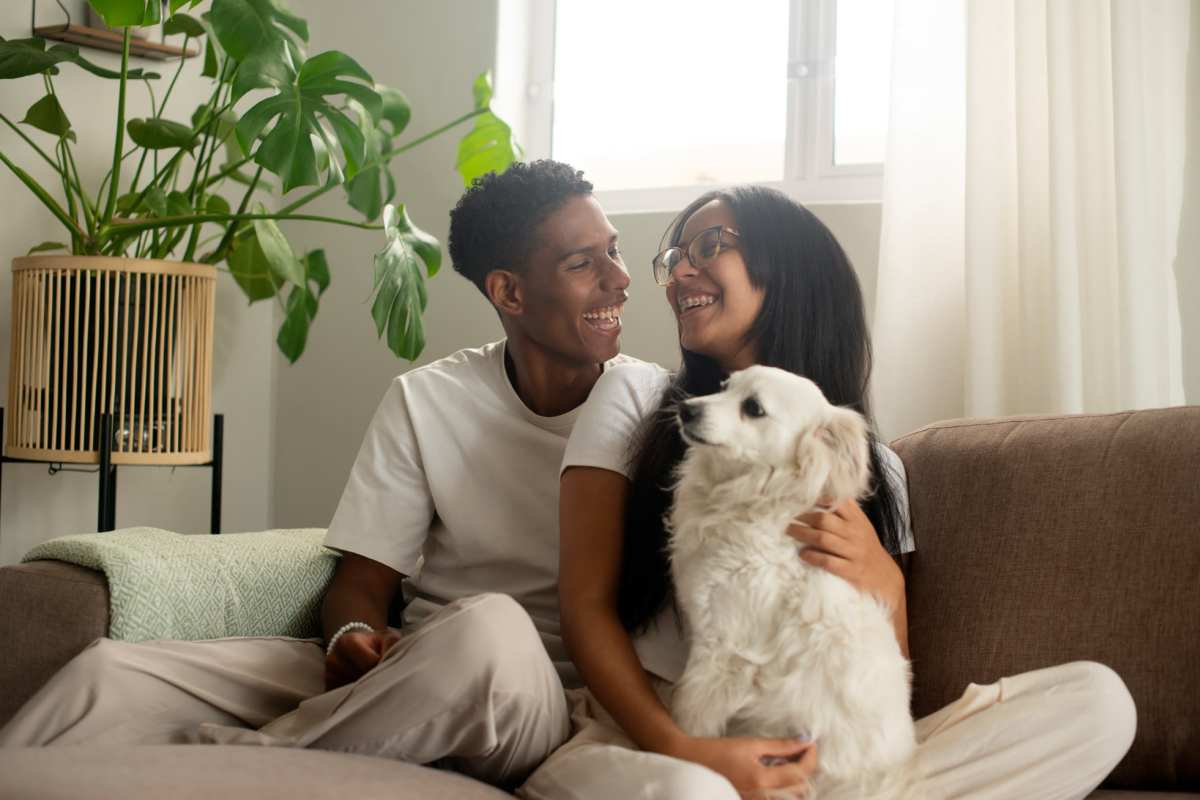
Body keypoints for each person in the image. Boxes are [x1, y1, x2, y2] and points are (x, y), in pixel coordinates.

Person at [0, 159, 637, 790]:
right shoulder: (428, 398)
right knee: (108, 678)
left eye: (613, 251)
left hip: (545, 694)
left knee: (489, 629)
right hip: (411, 662)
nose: (621, 278)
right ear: (510, 293)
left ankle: (231, 763)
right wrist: (352, 635)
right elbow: (360, 580)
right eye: (585, 263)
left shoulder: (648, 406)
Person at [518, 186, 1137, 800]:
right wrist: (688, 749)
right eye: (674, 255)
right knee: (695, 795)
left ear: (790, 271)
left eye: (709, 245)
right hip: (654, 742)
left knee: (1098, 704)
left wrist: (886, 585)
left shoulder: (870, 467)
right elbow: (586, 608)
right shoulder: (636, 400)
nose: (681, 270)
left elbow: (872, 678)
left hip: (820, 756)